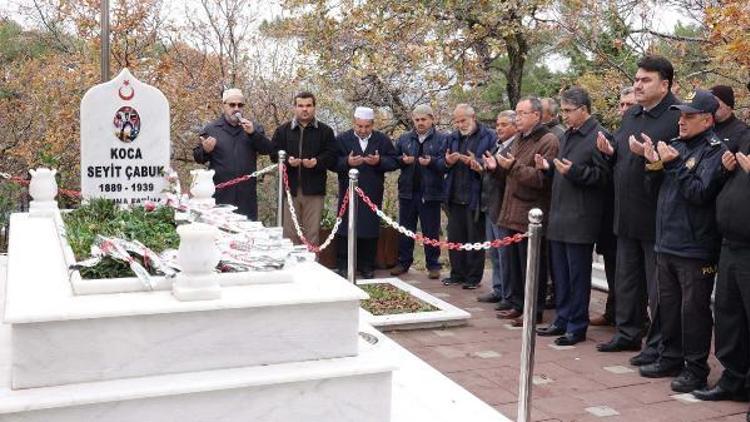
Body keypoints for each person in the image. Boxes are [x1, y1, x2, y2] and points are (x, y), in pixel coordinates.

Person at [637, 89, 726, 392]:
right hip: (667, 241)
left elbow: (700, 194)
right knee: (667, 308)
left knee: (694, 311)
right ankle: (670, 357)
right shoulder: (675, 146)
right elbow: (655, 193)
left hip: (695, 247)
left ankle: (696, 369)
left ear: (707, 119)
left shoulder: (715, 151)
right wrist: (651, 164)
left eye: (689, 116)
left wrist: (673, 165)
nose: (681, 121)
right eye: (681, 115)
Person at [595, 56, 680, 370]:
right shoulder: (632, 115)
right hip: (626, 214)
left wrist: (651, 159)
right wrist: (611, 152)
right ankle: (628, 332)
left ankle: (658, 345)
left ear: (665, 84)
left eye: (646, 80)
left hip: (658, 220)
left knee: (660, 290)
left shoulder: (675, 118)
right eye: (637, 79)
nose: (637, 85)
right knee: (627, 281)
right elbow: (622, 159)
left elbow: (675, 169)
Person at [535, 87, 611, 346]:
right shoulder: (567, 135)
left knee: (578, 276)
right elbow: (562, 172)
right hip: (558, 216)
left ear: (584, 110)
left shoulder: (599, 136)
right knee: (561, 275)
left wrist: (576, 172)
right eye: (563, 110)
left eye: (568, 111)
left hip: (581, 219)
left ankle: (577, 325)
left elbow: (604, 178)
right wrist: (548, 169)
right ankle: (562, 319)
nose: (564, 116)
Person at [692, 127, 750, 409]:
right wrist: (726, 171)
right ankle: (733, 379)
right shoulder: (745, 137)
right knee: (729, 314)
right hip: (730, 242)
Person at [494, 96, 559, 327]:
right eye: (517, 113)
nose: (517, 118)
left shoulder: (548, 140)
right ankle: (518, 304)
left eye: (522, 113)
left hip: (532, 211)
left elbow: (542, 179)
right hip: (511, 208)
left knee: (532, 266)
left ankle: (534, 309)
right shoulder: (519, 138)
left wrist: (512, 166)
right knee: (515, 265)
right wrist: (495, 168)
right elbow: (509, 172)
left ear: (537, 115)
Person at [333, 106, 398, 279]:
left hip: (372, 190)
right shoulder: (342, 139)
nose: (363, 130)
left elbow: (393, 162)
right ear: (354, 123)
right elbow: (332, 163)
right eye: (359, 126)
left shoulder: (382, 140)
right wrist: (347, 161)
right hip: (348, 191)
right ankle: (343, 264)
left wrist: (378, 161)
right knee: (346, 227)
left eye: (366, 127)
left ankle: (367, 265)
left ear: (372, 125)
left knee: (369, 228)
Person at [591, 86, 635, 326]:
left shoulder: (641, 133)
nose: (625, 109)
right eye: (622, 104)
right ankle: (613, 310)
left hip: (632, 215)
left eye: (630, 104)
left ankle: (631, 316)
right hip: (610, 214)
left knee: (629, 272)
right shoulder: (614, 135)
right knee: (611, 265)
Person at [193, 88, 273, 219]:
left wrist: (253, 134)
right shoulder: (211, 129)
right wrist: (205, 150)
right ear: (223, 106)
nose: (236, 108)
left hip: (246, 196)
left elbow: (267, 149)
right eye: (232, 105)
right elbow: (197, 157)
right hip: (220, 195)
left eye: (240, 105)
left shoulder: (254, 128)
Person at [440, 104, 496, 290]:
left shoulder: (488, 136)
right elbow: (441, 161)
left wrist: (477, 163)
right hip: (454, 194)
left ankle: (473, 277)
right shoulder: (452, 137)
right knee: (455, 237)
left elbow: (492, 161)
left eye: (463, 120)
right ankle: (457, 274)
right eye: (456, 121)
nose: (460, 124)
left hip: (476, 196)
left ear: (474, 117)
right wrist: (448, 161)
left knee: (474, 238)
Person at [272, 92, 337, 246]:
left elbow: (332, 155)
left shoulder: (325, 131)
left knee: (312, 234)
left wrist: (316, 162)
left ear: (314, 108)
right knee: (289, 234)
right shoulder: (283, 130)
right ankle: (291, 268)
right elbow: (273, 153)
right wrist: (288, 160)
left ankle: (311, 267)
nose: (304, 109)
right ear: (295, 108)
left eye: (308, 105)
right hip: (289, 190)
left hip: (314, 190)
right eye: (300, 106)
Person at [390, 104, 447, 280]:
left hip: (430, 192)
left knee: (431, 230)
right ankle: (404, 261)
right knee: (406, 229)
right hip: (408, 191)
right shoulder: (405, 139)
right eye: (417, 120)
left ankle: (433, 264)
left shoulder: (442, 139)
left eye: (423, 119)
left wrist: (431, 162)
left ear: (431, 119)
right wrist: (402, 160)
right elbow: (393, 160)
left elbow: (446, 163)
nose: (420, 123)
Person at [476, 110, 518, 308]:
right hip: (490, 205)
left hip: (503, 207)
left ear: (515, 126)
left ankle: (508, 294)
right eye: (497, 124)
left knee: (505, 254)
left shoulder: (515, 147)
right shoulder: (497, 146)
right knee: (494, 252)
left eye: (503, 125)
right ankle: (499, 288)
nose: (498, 128)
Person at [710, 85, 749, 152]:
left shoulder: (743, 132)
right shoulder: (705, 128)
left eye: (715, 101)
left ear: (728, 105)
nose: (711, 105)